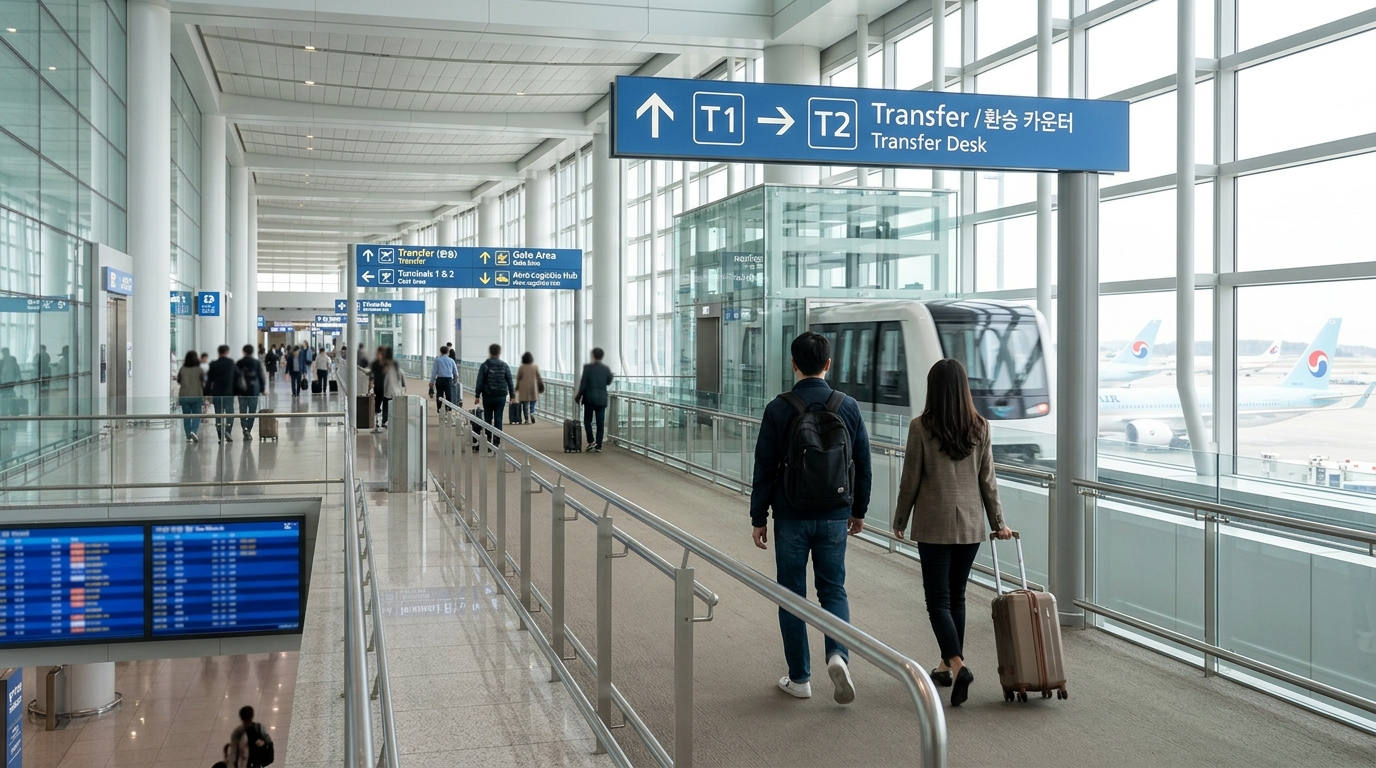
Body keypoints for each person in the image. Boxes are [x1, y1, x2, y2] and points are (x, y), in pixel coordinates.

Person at [749, 331, 871, 705]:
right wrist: (858, 510)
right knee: (833, 589)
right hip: (835, 515)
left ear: (793, 363)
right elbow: (862, 464)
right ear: (828, 364)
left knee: (791, 594)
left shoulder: (779, 407)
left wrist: (759, 516)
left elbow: (765, 467)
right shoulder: (847, 406)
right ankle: (838, 654)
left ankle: (800, 678)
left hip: (791, 515)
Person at [892, 358, 1013, 708]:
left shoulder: (921, 427)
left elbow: (910, 479)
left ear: (933, 389)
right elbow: (987, 480)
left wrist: (900, 518)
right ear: (964, 388)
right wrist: (998, 523)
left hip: (934, 523)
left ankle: (958, 666)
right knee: (956, 595)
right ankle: (945, 666)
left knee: (937, 600)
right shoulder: (981, 426)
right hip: (971, 524)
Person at [473, 343, 514, 447]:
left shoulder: (485, 365)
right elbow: (510, 381)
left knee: (487, 419)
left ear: (490, 352)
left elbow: (480, 381)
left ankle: (487, 442)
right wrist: (512, 395)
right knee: (498, 419)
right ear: (499, 353)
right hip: (501, 396)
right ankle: (497, 443)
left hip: (488, 396)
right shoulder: (504, 365)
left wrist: (477, 395)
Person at [574, 347, 613, 452]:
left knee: (587, 421)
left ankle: (591, 441)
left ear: (593, 355)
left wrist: (578, 396)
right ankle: (599, 445)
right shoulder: (606, 369)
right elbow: (608, 381)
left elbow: (583, 385)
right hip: (601, 399)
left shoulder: (587, 368)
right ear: (602, 356)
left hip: (589, 399)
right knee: (600, 423)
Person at [205, 345, 239, 443]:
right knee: (230, 414)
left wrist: (206, 393)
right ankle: (228, 431)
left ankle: (220, 436)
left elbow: (209, 380)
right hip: (228, 393)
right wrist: (236, 391)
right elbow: (237, 377)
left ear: (218, 352)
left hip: (217, 393)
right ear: (227, 352)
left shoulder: (213, 364)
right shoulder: (231, 363)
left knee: (218, 414)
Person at [236, 344, 268, 440]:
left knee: (243, 411)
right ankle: (248, 429)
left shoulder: (239, 363)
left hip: (242, 391)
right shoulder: (256, 363)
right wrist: (263, 389)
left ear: (244, 352)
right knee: (252, 412)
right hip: (254, 391)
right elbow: (261, 377)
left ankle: (244, 428)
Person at [176, 351, 205, 443]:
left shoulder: (182, 369)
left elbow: (179, 380)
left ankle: (188, 436)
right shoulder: (199, 369)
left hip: (184, 395)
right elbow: (203, 381)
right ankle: (193, 431)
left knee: (186, 416)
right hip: (197, 395)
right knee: (196, 415)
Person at [516, 351, 543, 425]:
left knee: (524, 404)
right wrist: (541, 386)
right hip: (533, 388)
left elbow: (518, 378)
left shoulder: (522, 367)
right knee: (533, 402)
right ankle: (531, 413)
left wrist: (517, 387)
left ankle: (526, 419)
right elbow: (539, 377)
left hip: (523, 388)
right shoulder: (535, 367)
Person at [382, 347, 406, 427]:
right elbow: (403, 382)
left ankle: (385, 421)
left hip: (388, 392)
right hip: (397, 392)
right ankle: (395, 421)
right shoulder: (397, 368)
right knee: (395, 408)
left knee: (386, 407)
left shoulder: (385, 367)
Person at [431, 345, 458, 413]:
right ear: (448, 352)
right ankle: (448, 409)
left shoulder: (437, 360)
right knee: (449, 395)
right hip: (448, 380)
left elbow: (434, 372)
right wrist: (455, 382)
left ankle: (439, 409)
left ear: (440, 352)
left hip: (439, 379)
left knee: (439, 394)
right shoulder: (451, 361)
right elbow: (456, 373)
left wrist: (432, 381)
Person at [369, 346, 390, 431]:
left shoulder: (387, 364)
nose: (378, 355)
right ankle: (377, 420)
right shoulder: (374, 364)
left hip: (386, 387)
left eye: (380, 354)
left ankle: (384, 421)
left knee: (386, 404)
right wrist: (371, 383)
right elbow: (372, 374)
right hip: (377, 386)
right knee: (377, 404)